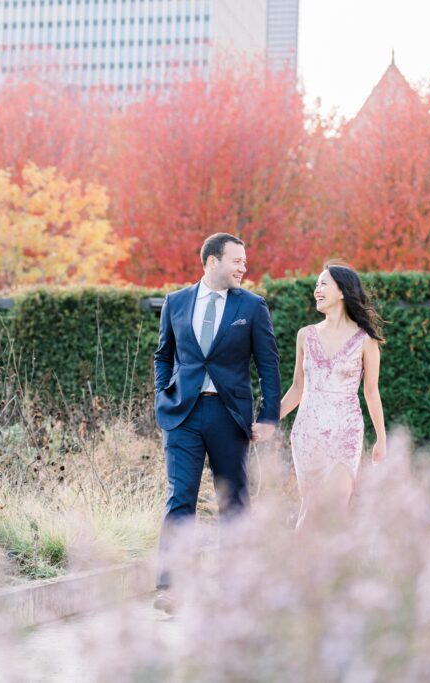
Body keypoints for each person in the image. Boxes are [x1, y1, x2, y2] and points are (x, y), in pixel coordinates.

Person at [152, 232, 282, 613]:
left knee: (235, 500)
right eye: (237, 260)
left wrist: (269, 416)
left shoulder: (253, 307)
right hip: (184, 415)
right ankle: (170, 586)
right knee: (180, 497)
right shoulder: (175, 302)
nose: (244, 267)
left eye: (244, 261)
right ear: (212, 261)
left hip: (229, 416)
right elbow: (164, 355)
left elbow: (268, 366)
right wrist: (164, 394)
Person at [279, 262, 386, 528]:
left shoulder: (366, 341)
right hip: (308, 432)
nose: (317, 289)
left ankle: (333, 568)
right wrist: (268, 420)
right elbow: (297, 388)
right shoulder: (305, 335)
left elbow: (371, 392)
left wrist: (381, 439)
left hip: (345, 432)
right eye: (316, 284)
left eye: (323, 283)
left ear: (342, 291)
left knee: (336, 509)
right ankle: (300, 568)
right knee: (311, 510)